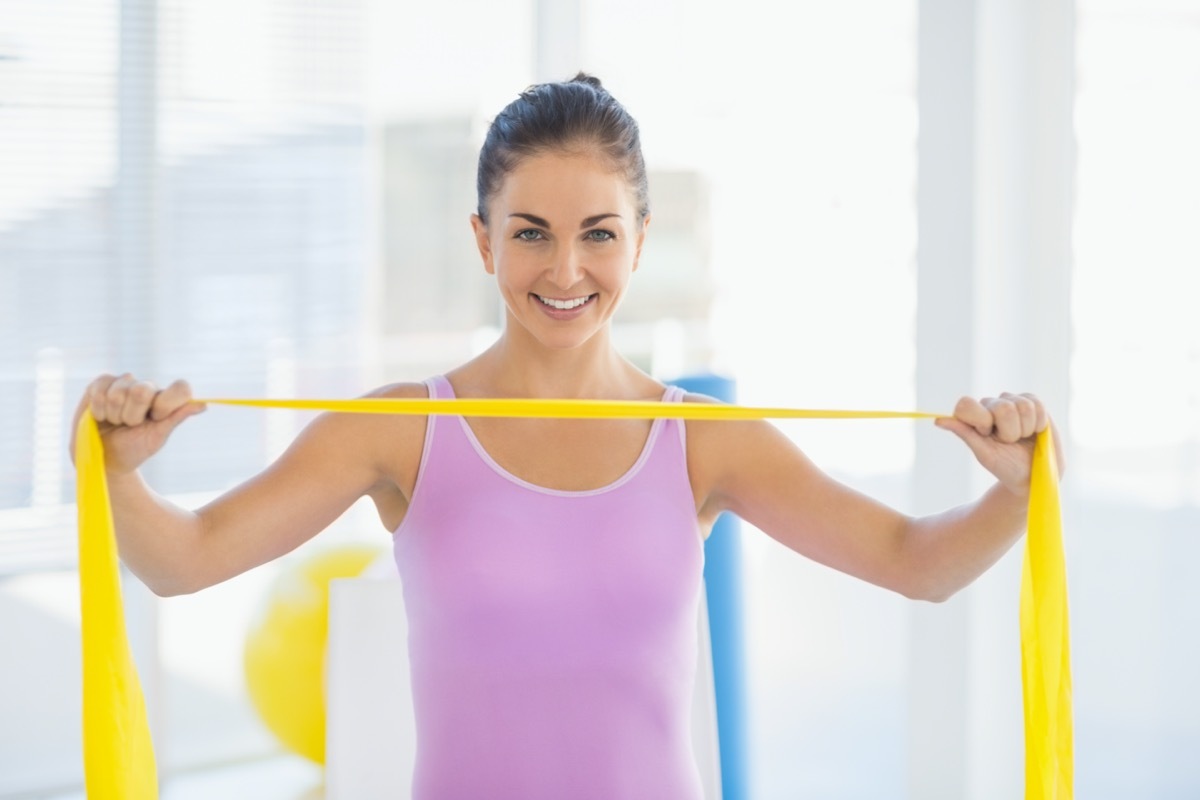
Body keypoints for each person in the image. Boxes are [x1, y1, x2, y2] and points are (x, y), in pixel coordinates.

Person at [72, 73, 1064, 799]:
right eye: (531, 230)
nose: (565, 267)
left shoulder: (701, 439)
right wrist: (115, 471)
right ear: (483, 238)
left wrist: (1017, 491)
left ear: (638, 237)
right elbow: (181, 561)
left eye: (597, 231)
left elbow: (916, 561)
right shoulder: (399, 427)